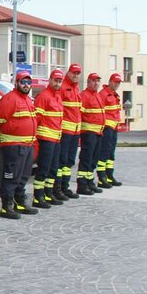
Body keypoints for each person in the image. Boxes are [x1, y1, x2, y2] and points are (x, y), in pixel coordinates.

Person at [0, 70, 39, 219]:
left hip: (27, 145)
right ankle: (6, 207)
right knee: (11, 177)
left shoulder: (27, 99)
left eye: (28, 82)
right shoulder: (10, 99)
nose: (26, 85)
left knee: (23, 176)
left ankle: (19, 202)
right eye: (23, 82)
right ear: (17, 83)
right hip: (14, 146)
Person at [33, 68, 66, 208]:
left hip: (56, 138)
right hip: (46, 138)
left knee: (53, 168)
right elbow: (37, 119)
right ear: (50, 80)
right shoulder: (44, 96)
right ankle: (38, 196)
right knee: (43, 168)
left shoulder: (57, 96)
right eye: (56, 80)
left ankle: (48, 193)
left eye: (60, 81)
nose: (58, 83)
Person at [57, 63, 83, 200]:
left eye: (78, 73)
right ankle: (58, 188)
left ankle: (65, 187)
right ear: (68, 73)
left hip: (75, 131)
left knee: (69, 162)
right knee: (61, 161)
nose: (76, 75)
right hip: (65, 130)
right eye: (73, 73)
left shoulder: (76, 88)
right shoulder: (63, 87)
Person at [77, 72, 107, 195]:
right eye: (94, 81)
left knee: (93, 160)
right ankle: (82, 185)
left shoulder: (97, 96)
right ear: (88, 82)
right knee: (86, 159)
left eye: (98, 81)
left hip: (98, 133)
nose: (96, 83)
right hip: (88, 132)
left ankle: (90, 182)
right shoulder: (84, 96)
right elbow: (80, 114)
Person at [97, 73, 124, 187]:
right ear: (110, 81)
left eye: (118, 82)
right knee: (104, 153)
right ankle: (102, 178)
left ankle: (109, 175)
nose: (117, 84)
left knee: (111, 154)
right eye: (115, 82)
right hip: (106, 128)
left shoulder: (114, 95)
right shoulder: (103, 94)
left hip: (113, 128)